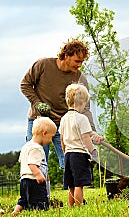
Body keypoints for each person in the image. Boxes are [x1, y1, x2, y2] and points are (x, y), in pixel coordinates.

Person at [20, 39, 103, 169]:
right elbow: (25, 84)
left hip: (64, 124)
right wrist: (37, 103)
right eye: (77, 61)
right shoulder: (43, 65)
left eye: (82, 61)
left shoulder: (79, 78)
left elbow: (85, 108)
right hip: (39, 121)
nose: (80, 65)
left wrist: (91, 132)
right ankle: (38, 189)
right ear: (65, 56)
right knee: (37, 160)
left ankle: (72, 189)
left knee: (69, 161)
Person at [60, 83, 98, 206]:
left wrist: (65, 152)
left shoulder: (64, 118)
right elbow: (86, 137)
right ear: (82, 102)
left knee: (71, 184)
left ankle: (71, 207)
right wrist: (93, 152)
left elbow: (62, 138)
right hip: (79, 155)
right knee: (78, 185)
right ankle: (79, 206)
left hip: (68, 155)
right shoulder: (82, 118)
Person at [11, 117, 57, 215]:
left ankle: (16, 211)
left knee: (23, 199)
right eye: (51, 137)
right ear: (44, 133)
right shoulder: (37, 148)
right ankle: (40, 213)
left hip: (24, 180)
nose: (50, 140)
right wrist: (38, 174)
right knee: (40, 200)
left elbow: (21, 161)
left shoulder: (26, 146)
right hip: (34, 180)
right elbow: (32, 163)